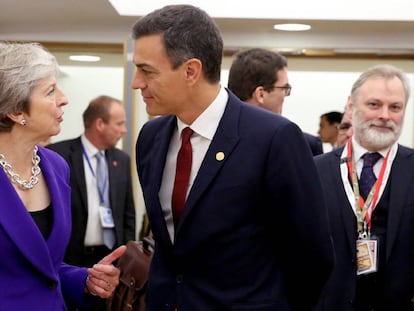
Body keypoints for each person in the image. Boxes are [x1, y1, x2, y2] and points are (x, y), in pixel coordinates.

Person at [132, 4, 333, 311]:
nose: (136, 82)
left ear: (191, 71)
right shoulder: (151, 137)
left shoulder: (274, 138)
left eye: (146, 70)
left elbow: (312, 254)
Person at [0, 42, 125, 311]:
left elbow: (46, 267)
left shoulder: (56, 167)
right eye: (50, 91)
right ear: (17, 111)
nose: (64, 98)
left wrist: (84, 280)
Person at [314, 64, 414, 310]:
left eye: (395, 107)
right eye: (374, 104)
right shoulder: (313, 171)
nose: (385, 115)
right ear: (350, 107)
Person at [48, 95, 136, 309]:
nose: (124, 130)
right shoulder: (58, 156)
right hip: (70, 259)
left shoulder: (121, 160)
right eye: (119, 124)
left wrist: (126, 257)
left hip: (109, 260)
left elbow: (128, 214)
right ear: (99, 124)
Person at [228, 47, 323, 156]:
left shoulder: (213, 135)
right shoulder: (292, 140)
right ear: (261, 94)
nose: (287, 95)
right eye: (284, 89)